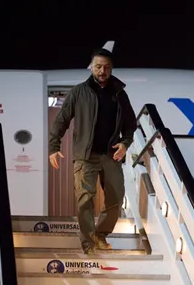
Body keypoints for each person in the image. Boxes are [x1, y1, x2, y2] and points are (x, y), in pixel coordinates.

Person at [48, 48, 137, 253]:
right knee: (85, 200)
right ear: (91, 67)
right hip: (85, 157)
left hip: (111, 156)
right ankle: (88, 243)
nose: (102, 71)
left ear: (111, 68)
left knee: (116, 198)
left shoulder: (120, 94)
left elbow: (130, 125)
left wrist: (125, 143)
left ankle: (100, 234)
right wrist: (54, 147)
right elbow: (61, 121)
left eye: (106, 67)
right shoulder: (78, 92)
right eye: (98, 67)